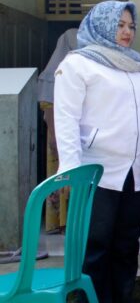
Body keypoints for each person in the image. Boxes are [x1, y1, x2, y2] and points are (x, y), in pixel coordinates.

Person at [55, 0, 140, 303]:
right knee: (96, 245)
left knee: (127, 241)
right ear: (102, 24)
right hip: (97, 171)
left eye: (131, 26)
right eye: (120, 25)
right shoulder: (78, 64)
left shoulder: (135, 66)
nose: (127, 32)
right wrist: (70, 171)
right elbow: (65, 120)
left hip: (134, 169)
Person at [38, 27, 78, 234]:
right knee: (63, 175)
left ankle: (72, 220)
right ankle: (62, 222)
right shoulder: (56, 73)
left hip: (74, 134)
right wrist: (54, 136)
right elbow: (48, 108)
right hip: (60, 134)